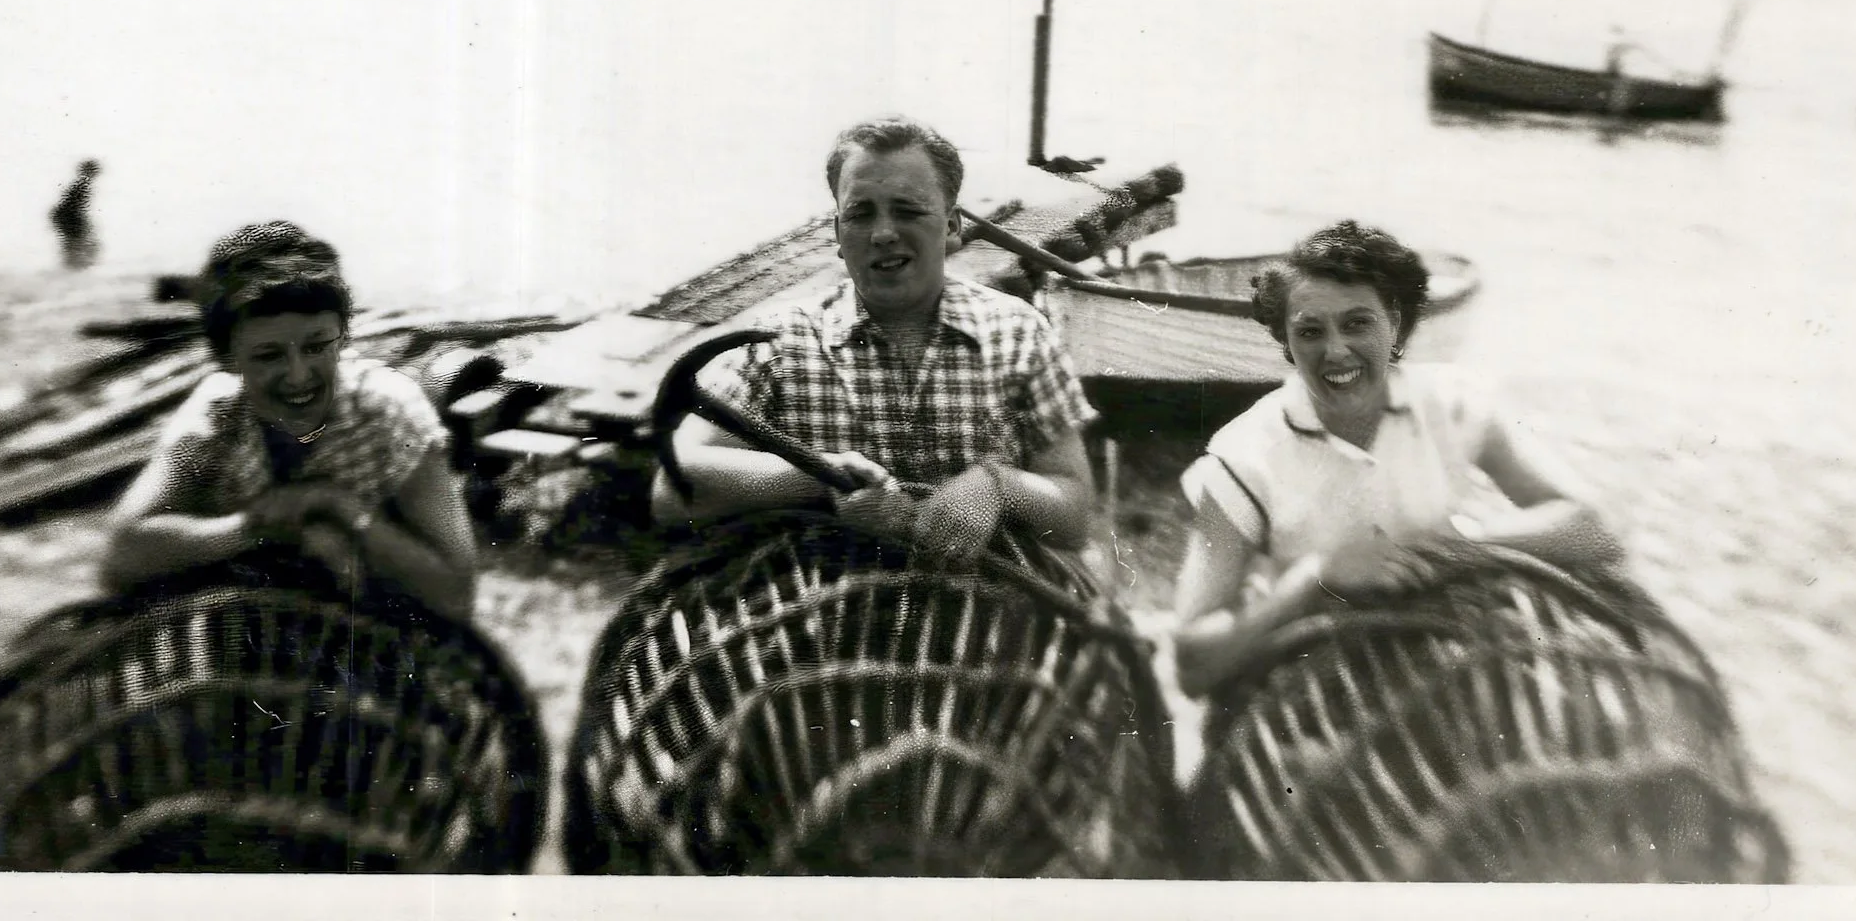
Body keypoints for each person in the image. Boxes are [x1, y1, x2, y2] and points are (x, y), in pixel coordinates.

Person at [1170, 220, 1622, 698]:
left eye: (1357, 324)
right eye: (1310, 332)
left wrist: (1452, 551)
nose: (1336, 351)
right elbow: (1192, 663)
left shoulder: (1451, 404)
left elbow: (1590, 528)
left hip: (1436, 649)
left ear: (1397, 325)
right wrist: (1316, 579)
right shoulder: (1243, 460)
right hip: (1308, 679)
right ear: (1287, 344)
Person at [651, 117, 1097, 563]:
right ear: (839, 235)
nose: (883, 233)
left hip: (978, 620)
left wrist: (1000, 486)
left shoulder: (1019, 334)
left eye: (907, 210)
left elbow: (1076, 515)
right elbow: (673, 493)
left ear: (952, 227)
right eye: (861, 214)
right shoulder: (778, 341)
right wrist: (816, 479)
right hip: (817, 620)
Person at [101, 222, 478, 620]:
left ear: (344, 336)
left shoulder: (389, 412)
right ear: (229, 360)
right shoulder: (219, 412)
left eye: (317, 347)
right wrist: (268, 530)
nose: (299, 376)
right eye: (268, 355)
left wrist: (339, 507)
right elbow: (120, 558)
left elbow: (456, 595)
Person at [51, 160, 101, 270]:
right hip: (69, 216)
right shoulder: (82, 184)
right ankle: (75, 267)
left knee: (78, 243)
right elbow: (71, 204)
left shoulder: (81, 184)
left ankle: (74, 266)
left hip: (68, 216)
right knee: (78, 243)